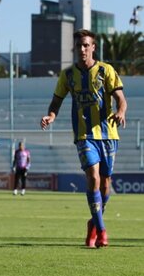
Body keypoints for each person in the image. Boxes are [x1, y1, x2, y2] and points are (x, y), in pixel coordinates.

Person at [40, 29, 127, 248]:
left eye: (86, 45)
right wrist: (50, 116)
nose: (82, 49)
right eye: (79, 45)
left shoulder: (106, 70)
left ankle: (93, 224)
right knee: (94, 178)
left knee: (106, 183)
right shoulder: (67, 75)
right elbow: (56, 101)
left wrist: (121, 111)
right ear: (74, 48)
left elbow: (121, 99)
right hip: (84, 135)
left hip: (108, 134)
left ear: (93, 47)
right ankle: (103, 230)